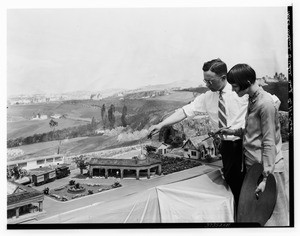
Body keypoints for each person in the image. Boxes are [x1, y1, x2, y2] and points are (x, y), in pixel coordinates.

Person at [148, 58, 249, 206]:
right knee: (234, 184)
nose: (207, 85)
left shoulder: (239, 92)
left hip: (244, 144)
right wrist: (161, 124)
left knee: (247, 184)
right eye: (205, 81)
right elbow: (184, 111)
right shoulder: (207, 97)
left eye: (210, 81)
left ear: (223, 77)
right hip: (226, 148)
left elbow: (272, 102)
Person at [220, 63, 289, 226]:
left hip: (267, 169)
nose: (234, 90)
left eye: (235, 86)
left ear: (248, 82)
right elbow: (253, 132)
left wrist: (266, 178)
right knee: (256, 217)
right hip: (254, 167)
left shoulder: (265, 104)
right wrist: (233, 132)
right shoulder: (252, 99)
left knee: (274, 219)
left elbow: (269, 141)